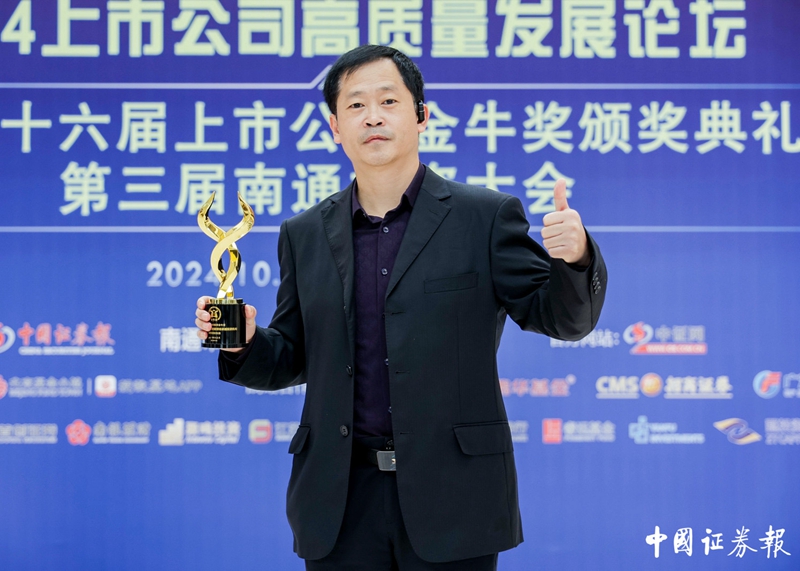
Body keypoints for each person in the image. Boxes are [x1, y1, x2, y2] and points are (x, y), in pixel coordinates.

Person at [196, 44, 606, 570]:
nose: (373, 116)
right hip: (339, 504)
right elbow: (291, 357)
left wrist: (575, 259)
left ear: (421, 115)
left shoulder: (484, 217)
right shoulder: (304, 233)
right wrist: (243, 341)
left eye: (388, 101)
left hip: (454, 499)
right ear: (335, 127)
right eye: (355, 105)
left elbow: (563, 320)